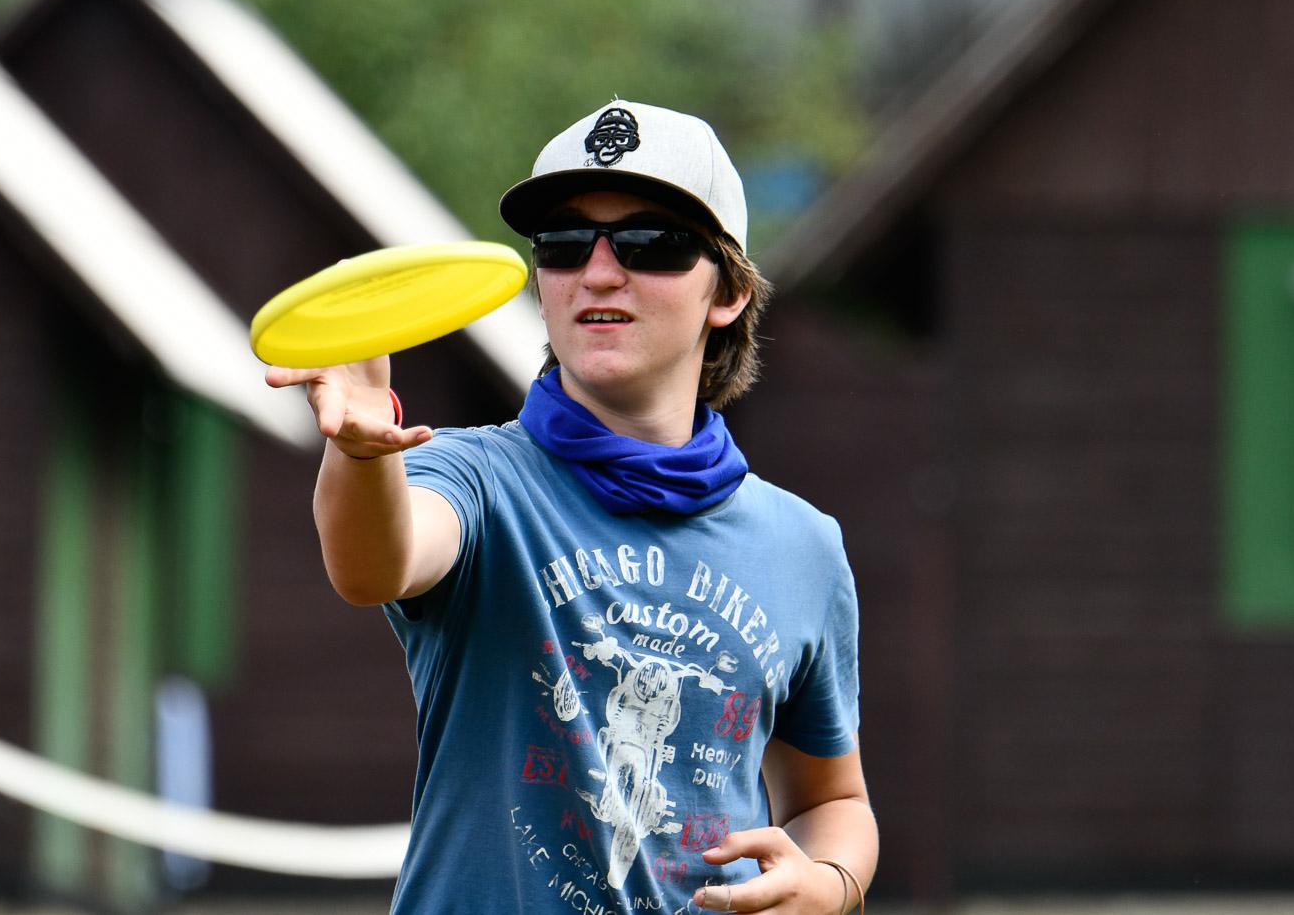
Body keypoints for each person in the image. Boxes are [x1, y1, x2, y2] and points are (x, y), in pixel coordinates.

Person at [267, 100, 876, 914]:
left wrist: (831, 883)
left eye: (649, 243)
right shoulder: (477, 478)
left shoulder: (803, 545)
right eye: (563, 243)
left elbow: (834, 799)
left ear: (729, 291)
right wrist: (359, 452)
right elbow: (375, 562)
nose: (598, 271)